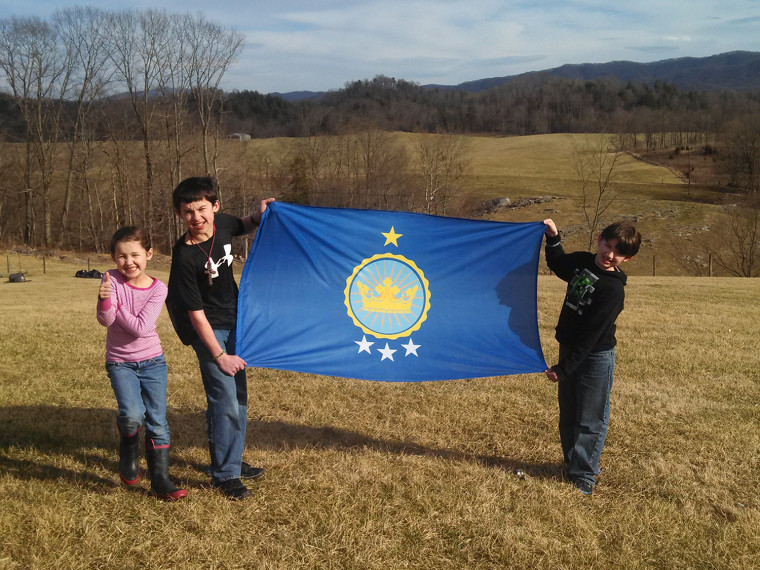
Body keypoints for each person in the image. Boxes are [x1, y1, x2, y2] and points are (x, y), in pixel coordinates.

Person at [166, 176, 274, 501]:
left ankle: (232, 460)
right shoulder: (185, 256)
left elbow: (242, 225)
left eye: (201, 209)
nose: (196, 217)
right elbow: (195, 314)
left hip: (236, 321)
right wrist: (218, 355)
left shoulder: (223, 225)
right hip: (209, 330)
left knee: (238, 398)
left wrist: (259, 215)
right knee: (223, 400)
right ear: (179, 214)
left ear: (214, 206)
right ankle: (225, 476)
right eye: (187, 212)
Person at [542, 219, 641, 495]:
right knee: (569, 413)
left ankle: (584, 474)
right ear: (599, 240)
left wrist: (564, 369)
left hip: (595, 357)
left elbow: (590, 338)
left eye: (618, 252)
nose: (610, 254)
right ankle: (571, 462)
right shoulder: (583, 263)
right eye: (607, 246)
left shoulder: (613, 290)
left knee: (590, 418)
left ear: (627, 258)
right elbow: (558, 263)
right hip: (570, 351)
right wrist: (553, 238)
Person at [97, 226, 187, 501]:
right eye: (121, 256)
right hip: (120, 363)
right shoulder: (109, 278)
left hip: (153, 363)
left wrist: (116, 303)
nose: (129, 262)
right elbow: (105, 320)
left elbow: (140, 327)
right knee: (132, 415)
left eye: (135, 255)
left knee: (157, 420)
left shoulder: (159, 288)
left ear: (149, 254)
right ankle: (128, 446)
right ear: (114, 258)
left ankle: (160, 479)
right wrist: (104, 301)